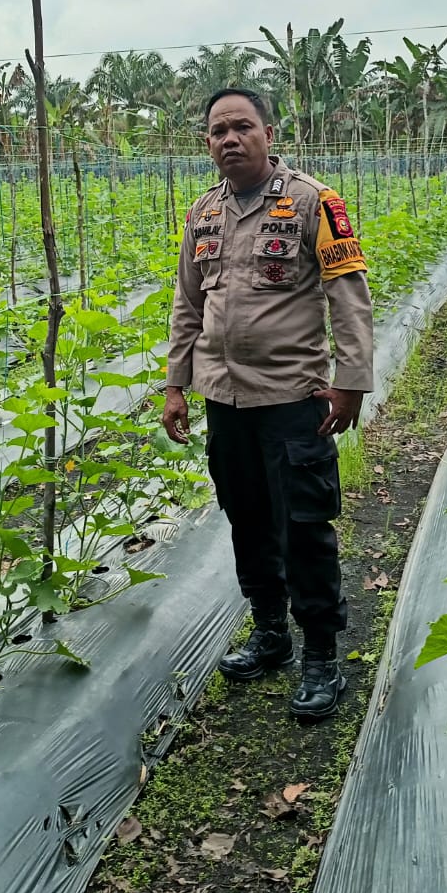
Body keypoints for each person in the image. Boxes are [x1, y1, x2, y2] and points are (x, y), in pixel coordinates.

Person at [162, 88, 374, 722]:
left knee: (304, 527)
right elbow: (187, 304)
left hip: (291, 399)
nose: (230, 139)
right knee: (247, 520)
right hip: (224, 401)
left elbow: (348, 295)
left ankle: (321, 655)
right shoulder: (203, 213)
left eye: (242, 127)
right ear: (207, 143)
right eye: (218, 131)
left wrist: (352, 382)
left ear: (268, 133)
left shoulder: (314, 202)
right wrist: (176, 384)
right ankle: (270, 632)